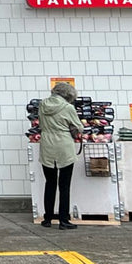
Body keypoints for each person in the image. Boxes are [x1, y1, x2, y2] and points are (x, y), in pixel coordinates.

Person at [37, 81, 83, 228]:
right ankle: (64, 220)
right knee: (64, 185)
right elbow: (79, 127)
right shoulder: (68, 107)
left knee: (49, 183)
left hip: (47, 144)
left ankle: (47, 219)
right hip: (64, 145)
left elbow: (40, 124)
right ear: (69, 96)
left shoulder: (42, 104)